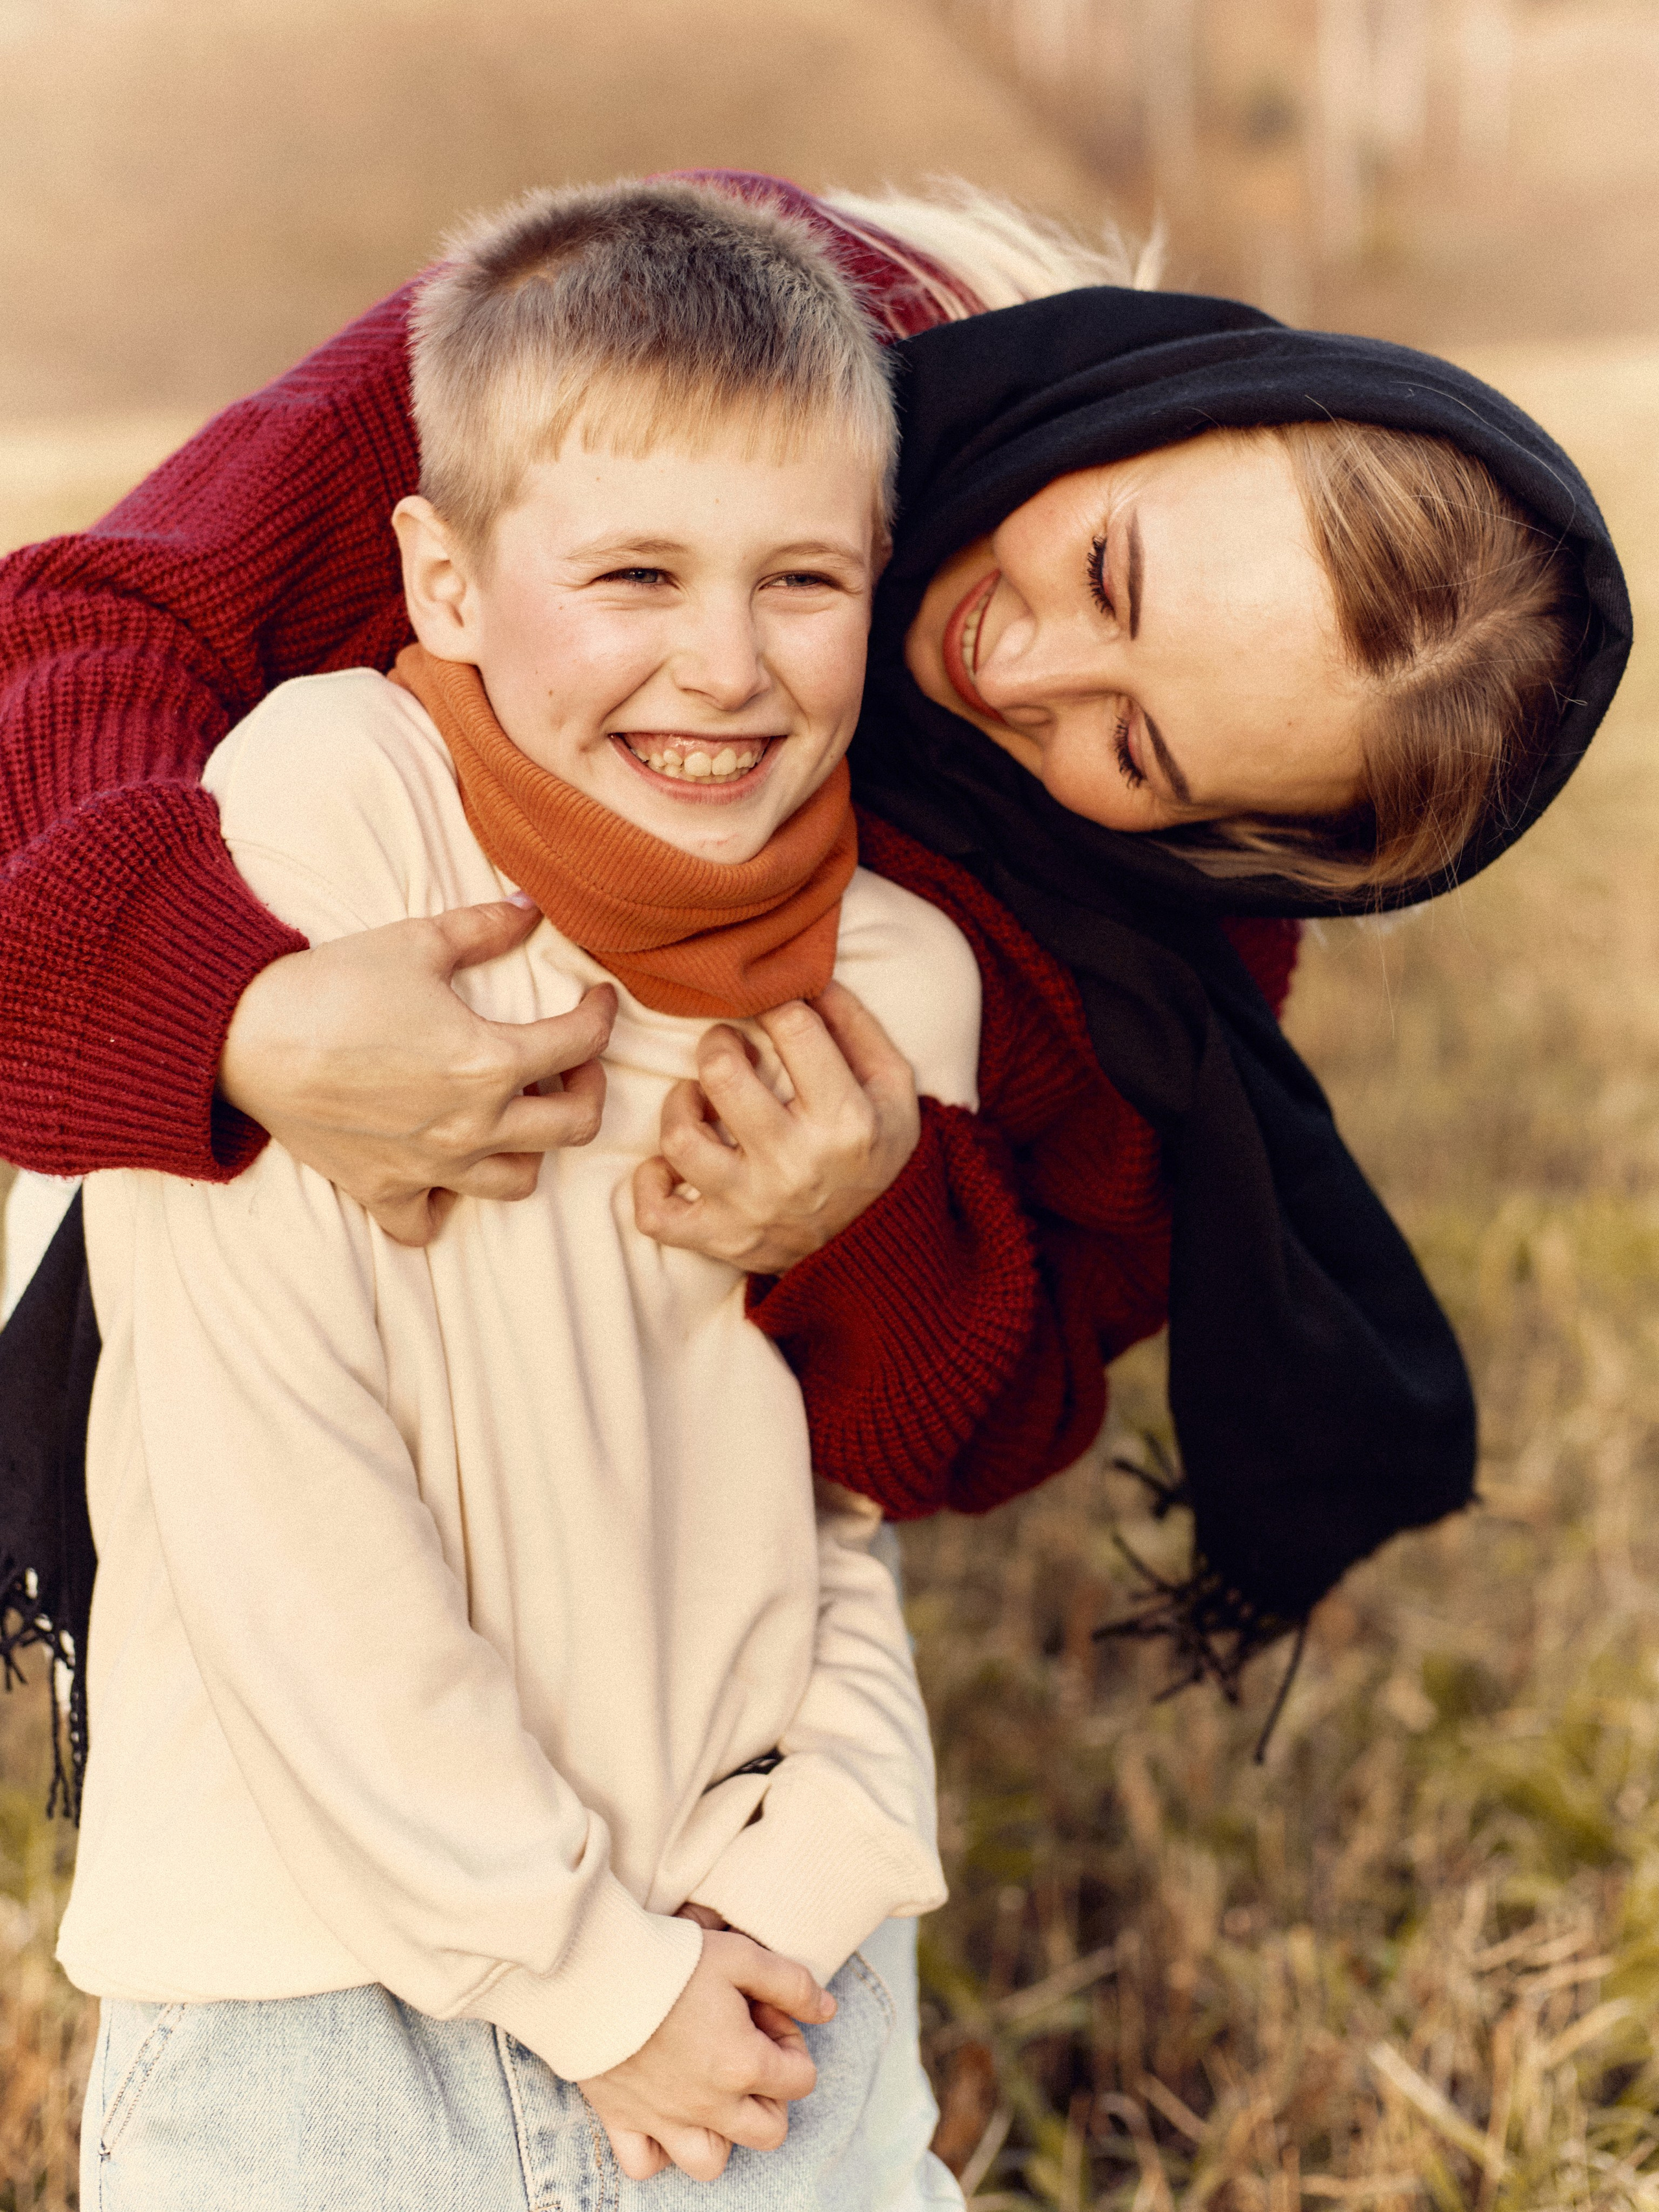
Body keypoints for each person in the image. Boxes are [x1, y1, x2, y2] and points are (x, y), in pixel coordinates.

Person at [0, 177, 1630, 1768]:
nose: (1023, 667)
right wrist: (241, 1019)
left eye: (1135, 750)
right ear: (1165, 399)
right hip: (259, 1270)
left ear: (1228, 838)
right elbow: (88, 634)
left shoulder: (1152, 964)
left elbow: (992, 1422)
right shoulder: (678, 347)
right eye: (1107, 573)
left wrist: (864, 1224)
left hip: (629, 1505)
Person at [62, 177, 982, 2211]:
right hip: (317, 2012)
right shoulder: (326, 812)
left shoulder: (894, 979)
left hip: (760, 1997)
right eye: (635, 572)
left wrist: (802, 1881)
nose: (724, 665)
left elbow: (832, 1517)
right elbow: (261, 1467)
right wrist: (579, 1972)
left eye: (803, 579)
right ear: (448, 578)